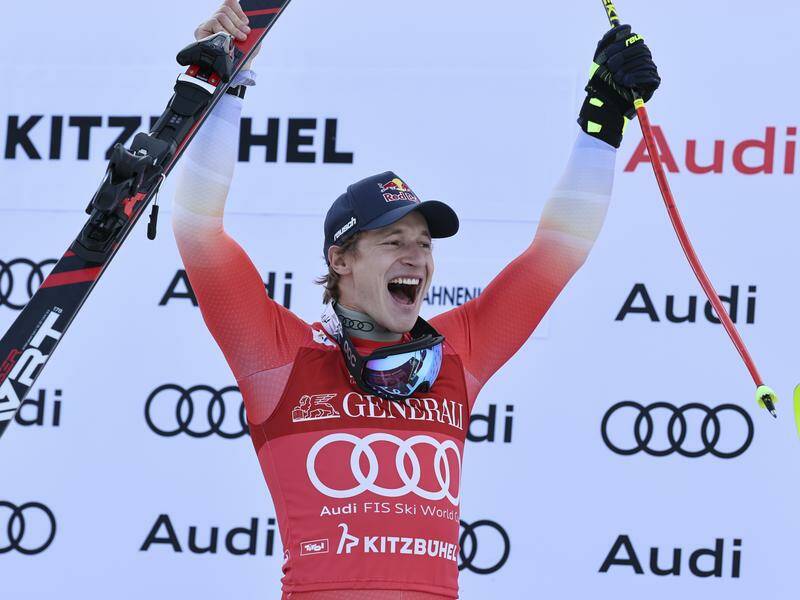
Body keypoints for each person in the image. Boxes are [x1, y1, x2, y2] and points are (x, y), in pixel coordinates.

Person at [172, 1, 660, 598]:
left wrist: (604, 123)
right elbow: (199, 230)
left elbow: (557, 250)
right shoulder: (282, 360)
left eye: (425, 244)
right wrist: (227, 86)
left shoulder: (457, 354)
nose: (417, 257)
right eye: (393, 240)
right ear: (340, 260)